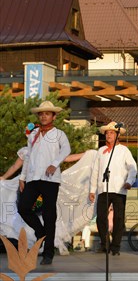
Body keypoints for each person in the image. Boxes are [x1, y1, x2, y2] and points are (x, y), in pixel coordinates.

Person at [17, 101, 71, 265]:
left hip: (50, 179)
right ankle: (41, 232)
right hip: (33, 178)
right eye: (41, 114)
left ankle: (48, 253)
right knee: (23, 208)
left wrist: (54, 163)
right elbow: (28, 156)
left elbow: (66, 150)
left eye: (47, 113)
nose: (43, 116)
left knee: (49, 215)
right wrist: (22, 177)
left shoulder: (59, 134)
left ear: (54, 116)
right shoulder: (33, 134)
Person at [89, 121, 137, 256]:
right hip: (104, 188)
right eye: (107, 133)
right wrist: (92, 189)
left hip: (119, 189)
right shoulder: (101, 151)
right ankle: (105, 244)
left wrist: (129, 182)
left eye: (112, 133)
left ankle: (116, 246)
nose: (109, 135)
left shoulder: (124, 150)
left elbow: (132, 167)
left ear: (118, 136)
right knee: (101, 218)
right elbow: (95, 171)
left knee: (119, 219)